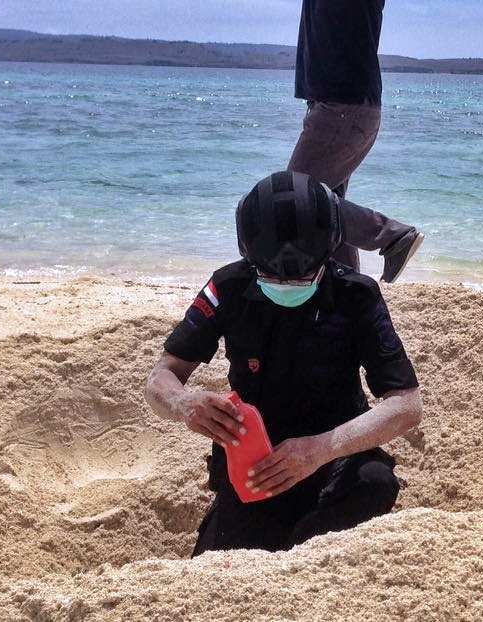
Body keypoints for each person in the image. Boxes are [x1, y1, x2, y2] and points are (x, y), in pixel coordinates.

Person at [145, 170, 423, 553]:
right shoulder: (226, 287)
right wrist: (182, 403)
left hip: (335, 455)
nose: (287, 283)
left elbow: (406, 405)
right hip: (256, 461)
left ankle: (305, 547)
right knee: (225, 558)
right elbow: (163, 376)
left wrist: (320, 449)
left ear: (328, 249)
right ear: (249, 253)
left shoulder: (356, 295)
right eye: (271, 273)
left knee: (376, 482)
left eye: (303, 273)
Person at [245, 0, 421, 283]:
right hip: (324, 107)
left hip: (348, 109)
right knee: (327, 211)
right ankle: (348, 292)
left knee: (295, 199)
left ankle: (391, 236)